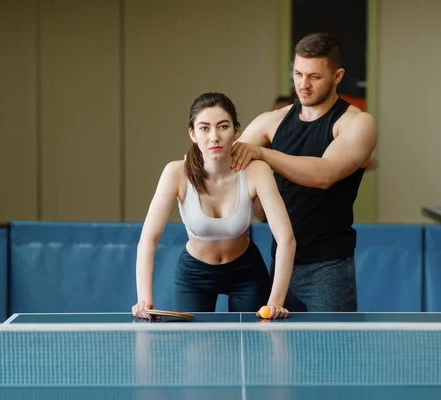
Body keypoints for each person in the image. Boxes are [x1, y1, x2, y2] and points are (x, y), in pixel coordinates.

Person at [230, 33, 378, 312]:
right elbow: (225, 162)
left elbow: (324, 174)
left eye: (314, 77)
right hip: (281, 264)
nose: (303, 84)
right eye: (298, 73)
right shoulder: (271, 122)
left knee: (333, 354)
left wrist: (263, 153)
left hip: (329, 267)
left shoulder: (356, 123)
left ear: (338, 76)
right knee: (281, 354)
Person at [132, 92, 295, 320]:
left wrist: (276, 302)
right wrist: (144, 299)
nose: (214, 137)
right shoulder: (175, 173)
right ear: (193, 134)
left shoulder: (257, 171)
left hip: (246, 271)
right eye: (204, 128)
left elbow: (286, 239)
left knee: (253, 346)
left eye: (223, 126)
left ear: (236, 130)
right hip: (195, 274)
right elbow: (148, 239)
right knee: (193, 350)